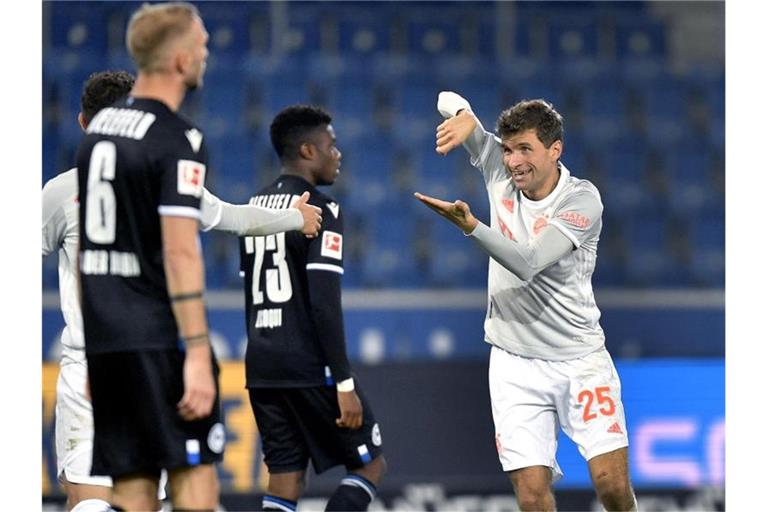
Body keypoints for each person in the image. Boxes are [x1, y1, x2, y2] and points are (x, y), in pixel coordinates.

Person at [73, 4, 317, 510]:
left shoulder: (99, 135)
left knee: (134, 491)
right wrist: (199, 356)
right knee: (194, 489)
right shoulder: (179, 139)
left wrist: (96, 352)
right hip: (160, 338)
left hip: (110, 344)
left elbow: (90, 253)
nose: (207, 53)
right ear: (181, 60)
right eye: (202, 45)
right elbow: (181, 251)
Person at [414, 91, 636, 511]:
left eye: (525, 150)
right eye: (508, 148)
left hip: (579, 360)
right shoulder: (500, 166)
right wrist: (462, 114)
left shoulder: (581, 201)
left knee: (611, 485)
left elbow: (530, 262)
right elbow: (445, 97)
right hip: (514, 362)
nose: (513, 161)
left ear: (556, 150)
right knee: (532, 494)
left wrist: (471, 226)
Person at [239, 105, 387, 512]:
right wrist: (343, 384)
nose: (337, 154)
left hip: (262, 365)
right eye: (330, 146)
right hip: (308, 365)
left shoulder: (251, 209)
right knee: (371, 465)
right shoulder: (321, 210)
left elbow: (252, 295)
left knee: (285, 477)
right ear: (307, 151)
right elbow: (324, 304)